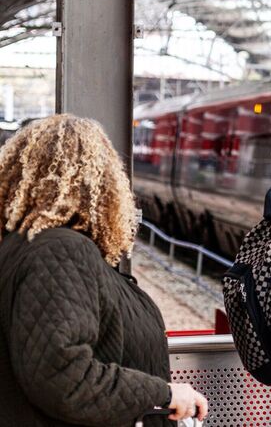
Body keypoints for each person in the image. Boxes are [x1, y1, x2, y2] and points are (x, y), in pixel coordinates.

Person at [0, 115, 208, 427]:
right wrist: (163, 394)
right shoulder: (60, 251)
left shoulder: (24, 247)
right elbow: (63, 377)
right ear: (99, 182)